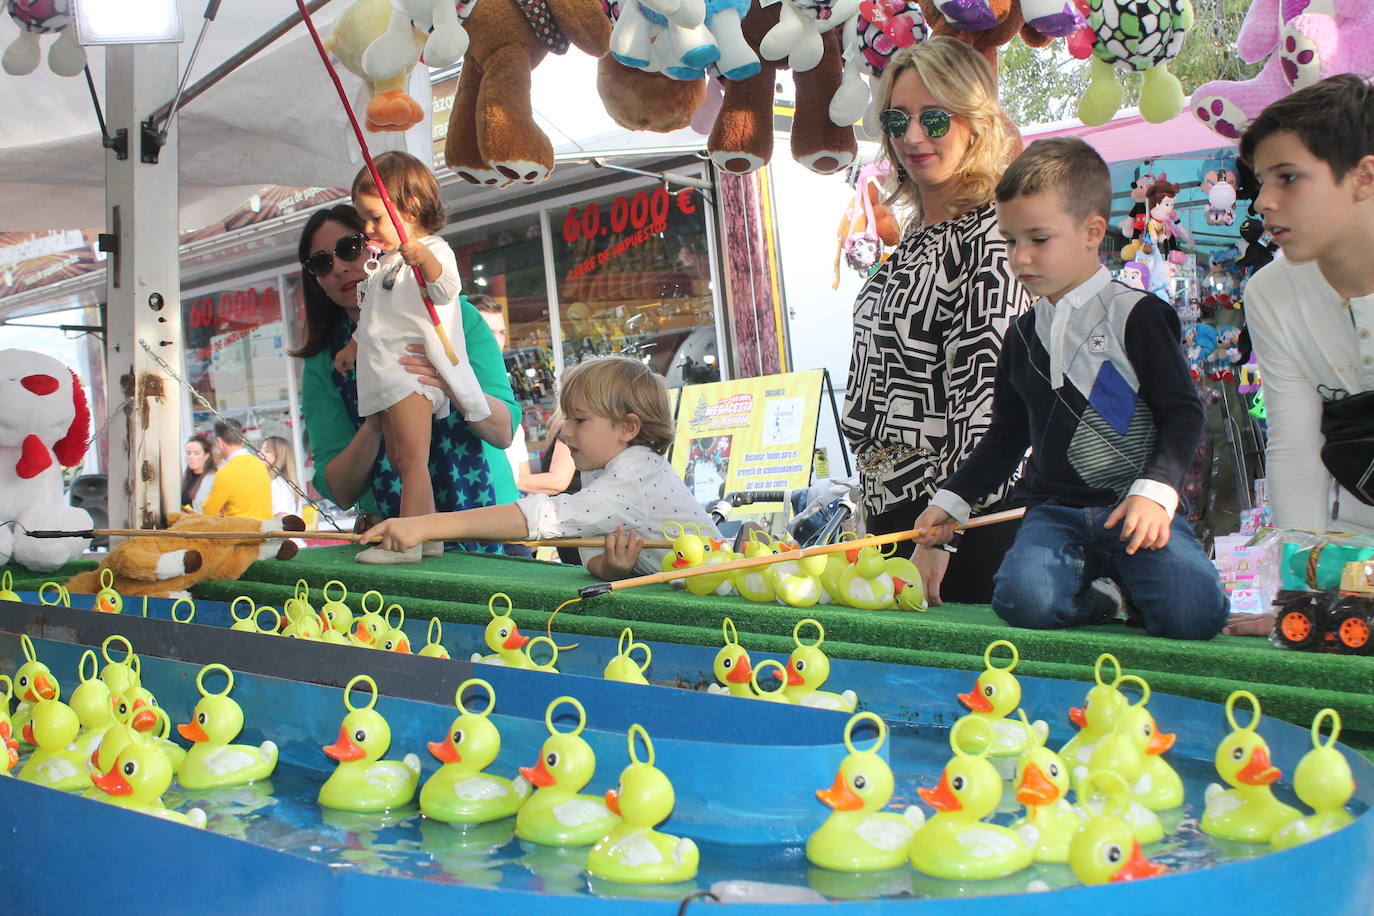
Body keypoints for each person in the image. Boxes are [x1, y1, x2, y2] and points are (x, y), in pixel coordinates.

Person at [911, 137, 1227, 640]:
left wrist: (1155, 491)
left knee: (1194, 614)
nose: (1020, 257)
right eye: (1010, 240)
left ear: (1092, 232)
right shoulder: (1021, 336)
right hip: (1053, 513)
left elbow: (1183, 413)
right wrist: (952, 502)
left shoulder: (1138, 314)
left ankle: (1131, 584)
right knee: (1024, 602)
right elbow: (1005, 437)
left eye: (1038, 239)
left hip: (1133, 507)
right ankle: (1104, 599)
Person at [841, 37, 1033, 606]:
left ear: (975, 123)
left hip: (960, 524)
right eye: (897, 119)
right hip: (898, 513)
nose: (913, 136)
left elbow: (986, 400)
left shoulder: (991, 236)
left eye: (934, 118)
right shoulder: (913, 240)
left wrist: (945, 530)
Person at [292, 204, 520, 560]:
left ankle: (416, 538)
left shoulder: (456, 317)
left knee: (411, 461)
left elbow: (503, 432)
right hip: (384, 531)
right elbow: (338, 489)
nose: (338, 267)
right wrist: (376, 420)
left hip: (488, 526)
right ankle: (417, 537)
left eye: (349, 248)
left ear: (377, 240)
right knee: (408, 460)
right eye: (321, 263)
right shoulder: (325, 361)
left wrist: (449, 381)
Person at [362, 356, 719, 580]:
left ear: (627, 427)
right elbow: (593, 558)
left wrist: (425, 526)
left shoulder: (634, 474)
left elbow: (541, 518)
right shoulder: (602, 472)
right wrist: (613, 567)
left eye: (579, 420)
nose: (566, 432)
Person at [1239, 74, 1374, 539]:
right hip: (1350, 540)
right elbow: (1295, 444)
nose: (1263, 201)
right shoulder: (1269, 293)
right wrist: (1300, 567)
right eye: (1262, 181)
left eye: (1289, 177)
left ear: (1364, 178)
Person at [348, 151, 498, 564]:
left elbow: (447, 289)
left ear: (410, 208)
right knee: (402, 459)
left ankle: (409, 541)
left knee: (413, 458)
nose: (368, 228)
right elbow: (376, 319)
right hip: (388, 373)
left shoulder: (433, 248)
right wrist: (352, 346)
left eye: (375, 217)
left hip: (411, 374)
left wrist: (427, 261)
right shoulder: (387, 263)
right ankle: (427, 536)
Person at [199, 419, 274, 521]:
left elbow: (208, 511)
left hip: (241, 529)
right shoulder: (260, 464)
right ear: (242, 440)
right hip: (265, 527)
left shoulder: (225, 473)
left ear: (219, 442)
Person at [181, 434, 216, 511]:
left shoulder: (213, 479)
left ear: (206, 456)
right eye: (188, 453)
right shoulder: (186, 477)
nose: (191, 457)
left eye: (196, 453)